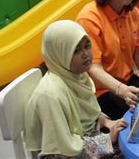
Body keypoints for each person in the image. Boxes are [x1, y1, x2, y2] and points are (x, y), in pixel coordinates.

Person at [24, 20, 128, 157]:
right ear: (60, 54)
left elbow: (88, 116)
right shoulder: (50, 95)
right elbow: (60, 154)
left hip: (92, 144)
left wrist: (104, 120)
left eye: (87, 46)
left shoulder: (78, 77)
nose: (86, 54)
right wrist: (107, 141)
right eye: (76, 50)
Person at [76, 0, 139, 120]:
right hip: (100, 91)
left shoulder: (133, 12)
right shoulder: (89, 18)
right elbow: (93, 68)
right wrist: (121, 90)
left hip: (127, 81)